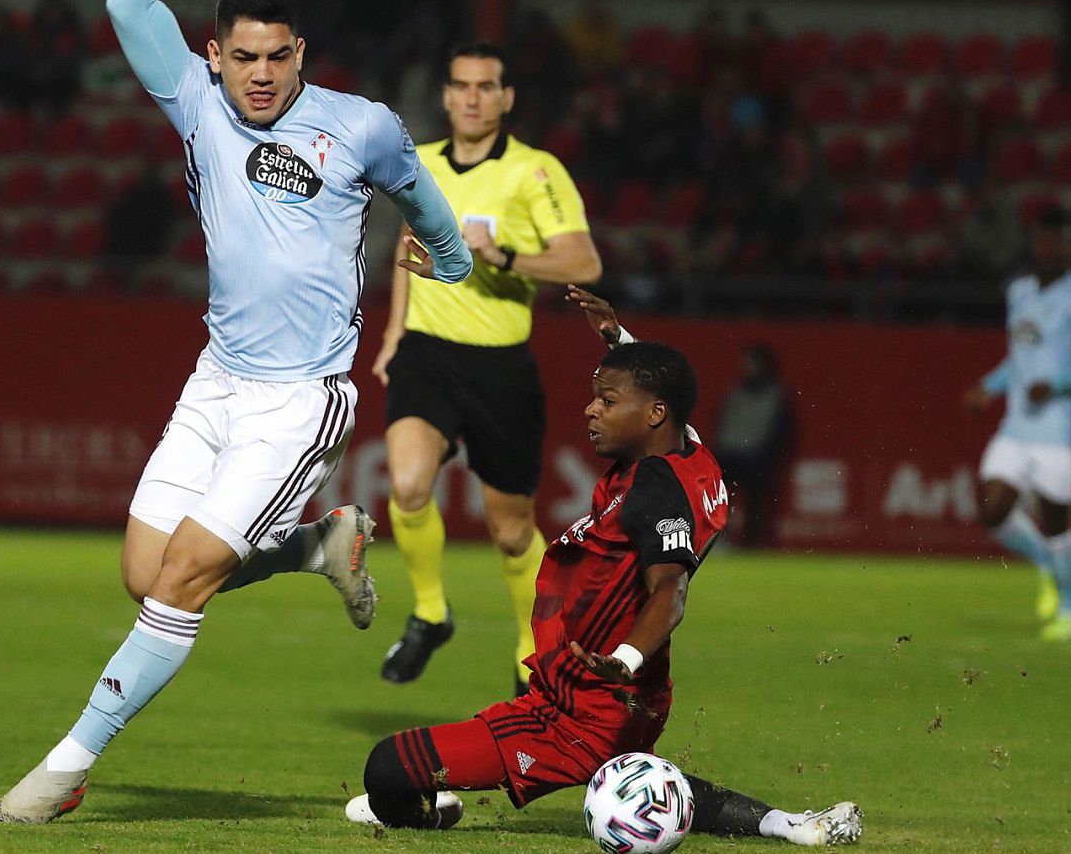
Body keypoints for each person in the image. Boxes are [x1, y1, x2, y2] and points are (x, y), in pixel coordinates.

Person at [0, 0, 473, 825]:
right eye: (245, 58)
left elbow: (428, 207)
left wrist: (456, 260)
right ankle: (315, 546)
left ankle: (62, 769)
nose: (262, 75)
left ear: (301, 52)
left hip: (300, 398)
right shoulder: (192, 100)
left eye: (278, 56)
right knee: (144, 573)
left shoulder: (362, 126)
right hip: (216, 383)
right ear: (213, 55)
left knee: (183, 581)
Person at [346, 315, 862, 847]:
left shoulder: (654, 492)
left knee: (387, 769)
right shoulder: (693, 457)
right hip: (632, 694)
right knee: (633, 774)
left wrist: (624, 659)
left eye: (608, 402)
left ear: (653, 414)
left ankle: (433, 810)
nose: (591, 410)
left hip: (583, 705)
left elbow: (671, 591)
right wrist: (622, 341)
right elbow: (670, 402)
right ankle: (787, 824)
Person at [373, 42, 601, 696]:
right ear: (445, 95)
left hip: (501, 365)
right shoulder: (421, 166)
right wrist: (393, 334)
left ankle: (533, 646)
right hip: (428, 352)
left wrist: (503, 256)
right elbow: (404, 251)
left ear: (507, 98)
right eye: (461, 85)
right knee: (409, 481)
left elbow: (583, 263)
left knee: (509, 530)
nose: (473, 97)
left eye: (487, 86)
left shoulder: (536, 172)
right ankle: (429, 610)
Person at [964, 206, 1071, 642]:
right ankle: (1049, 567)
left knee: (1057, 522)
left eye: (1064, 242)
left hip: (1062, 428)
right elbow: (1020, 360)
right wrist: (988, 387)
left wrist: (1057, 383)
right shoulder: (1020, 294)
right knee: (992, 508)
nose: (1055, 249)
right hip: (1018, 425)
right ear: (1036, 245)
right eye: (1048, 240)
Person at [713, 344, 792, 548]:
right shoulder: (736, 392)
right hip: (728, 455)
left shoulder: (776, 395)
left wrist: (768, 456)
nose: (746, 366)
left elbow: (781, 431)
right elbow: (722, 424)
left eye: (751, 362)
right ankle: (718, 540)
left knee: (757, 504)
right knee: (713, 497)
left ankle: (751, 544)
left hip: (756, 459)